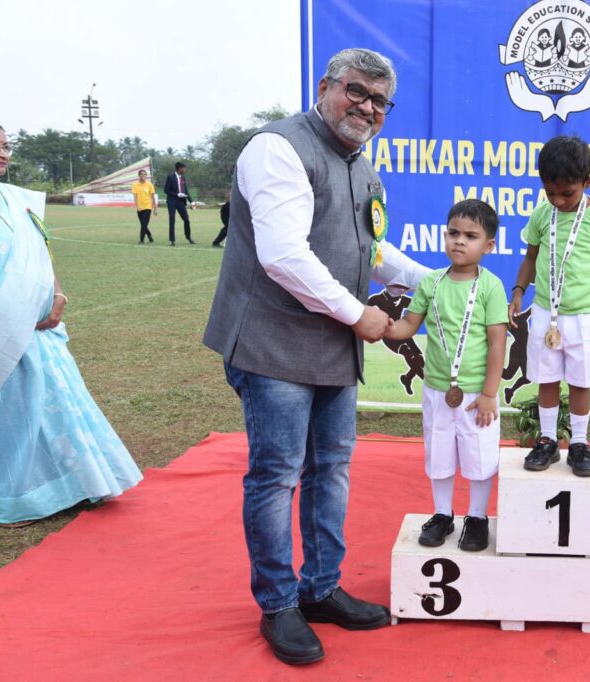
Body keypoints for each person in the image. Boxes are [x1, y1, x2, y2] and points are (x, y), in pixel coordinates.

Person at [202, 48, 430, 666]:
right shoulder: (277, 148)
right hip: (272, 343)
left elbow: (370, 252)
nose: (367, 108)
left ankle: (321, 589)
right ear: (326, 86)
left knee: (330, 470)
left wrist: (436, 282)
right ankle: (279, 602)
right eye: (356, 92)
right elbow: (283, 256)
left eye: (380, 101)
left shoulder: (362, 166)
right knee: (277, 475)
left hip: (332, 346)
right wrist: (360, 315)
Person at [0, 123, 142, 528]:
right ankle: (15, 499)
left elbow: (40, 253)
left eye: (6, 146)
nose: (3, 154)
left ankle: (71, 485)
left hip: (40, 332)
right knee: (14, 413)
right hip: (6, 331)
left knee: (52, 406)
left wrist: (58, 294)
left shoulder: (16, 199)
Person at [386, 199, 508, 552]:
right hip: (437, 389)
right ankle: (442, 514)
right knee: (438, 455)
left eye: (470, 236)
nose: (459, 241)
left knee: (480, 456)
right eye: (453, 233)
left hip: (477, 395)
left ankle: (477, 517)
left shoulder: (491, 287)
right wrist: (381, 326)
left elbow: (497, 343)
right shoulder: (431, 283)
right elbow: (409, 325)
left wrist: (489, 393)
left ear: (488, 245)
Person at [508, 134, 590, 477]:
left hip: (585, 315)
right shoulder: (542, 214)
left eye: (567, 193)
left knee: (580, 381)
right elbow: (531, 257)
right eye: (550, 192)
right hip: (546, 311)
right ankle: (547, 440)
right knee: (547, 378)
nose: (557, 200)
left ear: (588, 182)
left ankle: (580, 444)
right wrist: (518, 291)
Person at [164, 161, 194, 245]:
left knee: (186, 219)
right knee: (172, 219)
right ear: (179, 169)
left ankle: (188, 237)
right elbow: (166, 190)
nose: (185, 170)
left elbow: (186, 191)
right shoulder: (170, 177)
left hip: (181, 202)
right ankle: (172, 240)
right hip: (172, 201)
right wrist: (177, 194)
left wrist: (191, 201)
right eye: (184, 168)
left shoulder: (183, 178)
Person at [131, 169, 157, 244]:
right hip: (140, 208)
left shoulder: (150, 185)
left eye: (144, 174)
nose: (143, 175)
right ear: (139, 175)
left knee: (144, 224)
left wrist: (155, 208)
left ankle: (141, 240)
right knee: (143, 224)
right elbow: (135, 197)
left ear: (146, 175)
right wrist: (137, 206)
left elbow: (153, 197)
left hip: (148, 207)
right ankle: (149, 234)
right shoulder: (135, 185)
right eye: (141, 174)